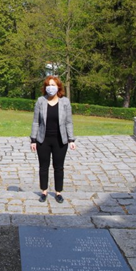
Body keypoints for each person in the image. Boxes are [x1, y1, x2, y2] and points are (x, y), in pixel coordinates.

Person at [30, 75, 76, 203]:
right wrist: (33, 140)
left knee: (59, 167)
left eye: (53, 85)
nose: (51, 87)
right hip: (43, 140)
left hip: (60, 140)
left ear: (58, 87)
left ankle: (58, 192)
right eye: (48, 85)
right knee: (43, 166)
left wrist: (71, 140)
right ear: (45, 87)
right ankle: (44, 191)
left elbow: (69, 122)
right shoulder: (40, 101)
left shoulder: (65, 102)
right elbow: (36, 122)